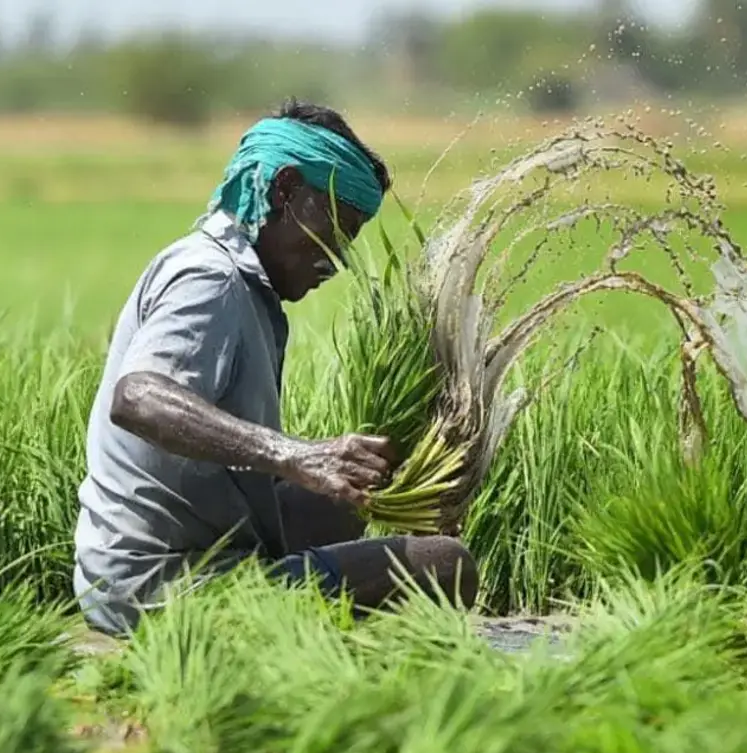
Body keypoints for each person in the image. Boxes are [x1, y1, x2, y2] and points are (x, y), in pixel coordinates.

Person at [72, 99, 479, 637]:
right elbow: (139, 398)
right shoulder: (210, 279)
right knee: (447, 564)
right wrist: (293, 454)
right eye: (336, 229)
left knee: (351, 502)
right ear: (285, 191)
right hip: (159, 587)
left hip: (151, 566)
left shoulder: (242, 284)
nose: (336, 260)